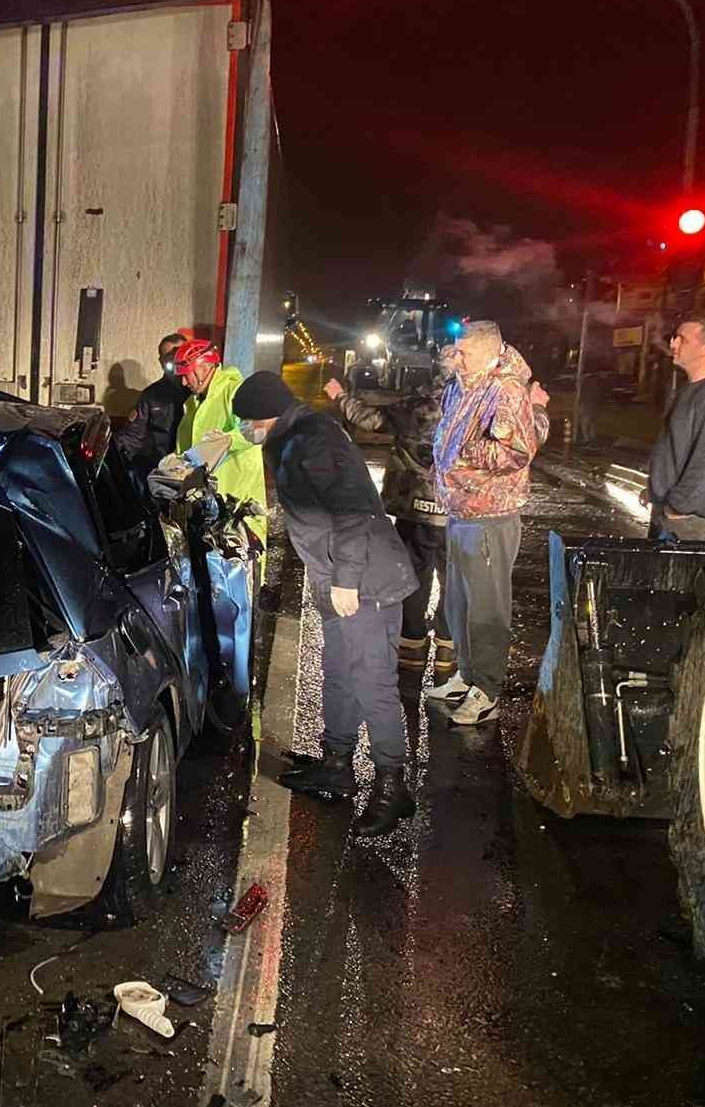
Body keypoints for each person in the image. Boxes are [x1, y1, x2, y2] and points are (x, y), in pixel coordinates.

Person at [231, 371, 421, 836]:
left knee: (372, 682)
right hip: (336, 576)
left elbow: (354, 510)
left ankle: (393, 786)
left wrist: (347, 580)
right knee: (337, 671)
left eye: (247, 423)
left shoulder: (313, 441)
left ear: (266, 417)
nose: (244, 431)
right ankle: (337, 763)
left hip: (365, 581)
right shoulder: (292, 437)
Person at [426, 320, 550, 727]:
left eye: (465, 352)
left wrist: (466, 449)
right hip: (461, 511)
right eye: (456, 350)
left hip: (490, 516)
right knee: (459, 603)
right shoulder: (465, 382)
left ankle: (488, 690)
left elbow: (516, 453)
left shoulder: (506, 388)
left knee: (486, 609)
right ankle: (467, 675)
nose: (456, 357)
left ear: (490, 351)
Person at [325, 370, 454, 677]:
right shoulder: (472, 408)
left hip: (415, 507)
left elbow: (370, 419)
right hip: (456, 511)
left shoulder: (415, 407)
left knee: (414, 576)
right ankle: (448, 644)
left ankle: (411, 643)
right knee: (455, 579)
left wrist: (339, 396)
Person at [642, 317, 705, 543]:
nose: (673, 344)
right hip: (670, 507)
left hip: (691, 518)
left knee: (675, 579)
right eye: (674, 338)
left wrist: (678, 506)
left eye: (683, 340)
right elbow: (674, 447)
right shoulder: (690, 388)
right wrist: (655, 489)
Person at [172, 339, 268, 546]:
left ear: (203, 368)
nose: (183, 383)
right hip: (205, 508)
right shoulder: (192, 404)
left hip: (237, 505)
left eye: (186, 375)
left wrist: (227, 440)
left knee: (238, 568)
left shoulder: (233, 391)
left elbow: (258, 429)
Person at [114, 333, 191, 482]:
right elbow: (132, 436)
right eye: (167, 357)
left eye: (177, 354)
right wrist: (112, 456)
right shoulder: (151, 395)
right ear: (161, 362)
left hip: (195, 468)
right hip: (164, 471)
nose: (173, 361)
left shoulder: (200, 391)